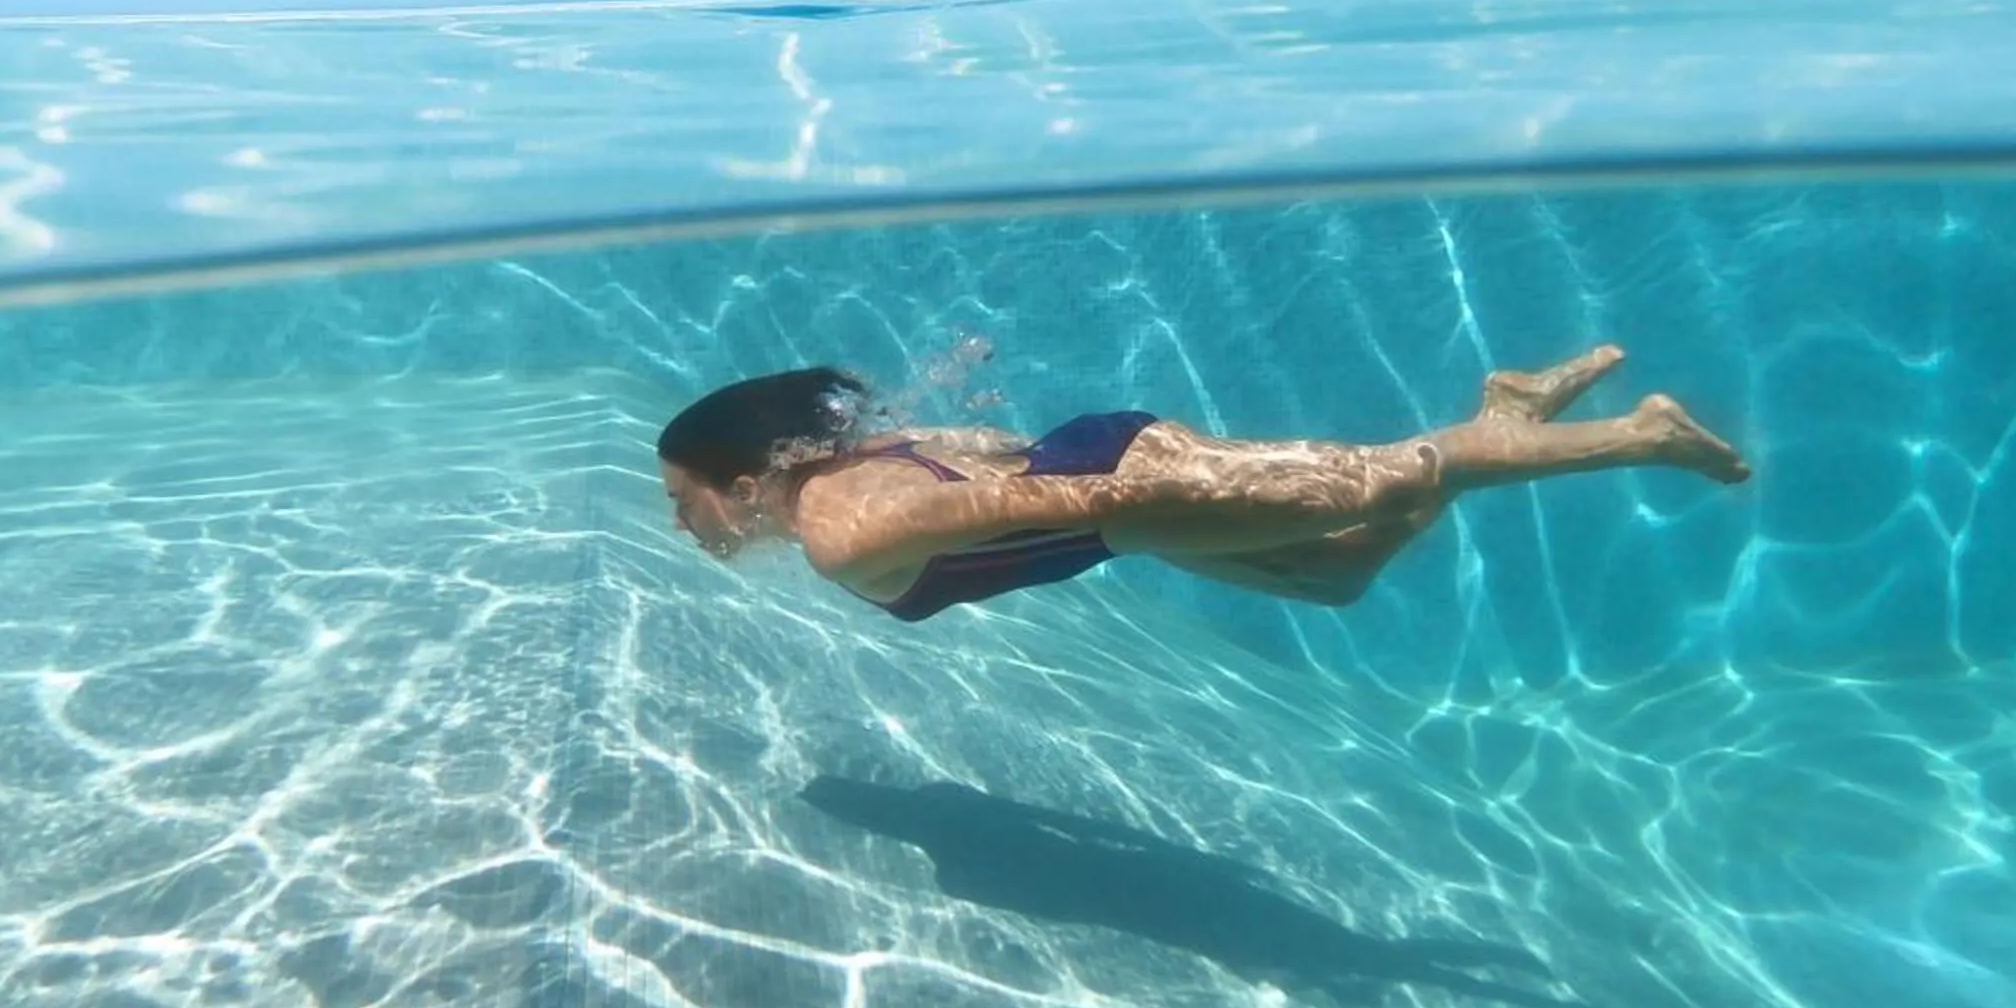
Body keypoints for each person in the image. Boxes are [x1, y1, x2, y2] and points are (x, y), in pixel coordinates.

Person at [655, 347, 1747, 621]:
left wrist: (1204, 499)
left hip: (1110, 493)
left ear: (739, 478)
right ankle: (1502, 413)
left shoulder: (843, 525)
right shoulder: (840, 486)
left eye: (680, 494)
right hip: (1112, 507)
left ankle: (1642, 434)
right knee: (1336, 582)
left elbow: (1054, 500)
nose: (678, 517)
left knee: (1378, 482)